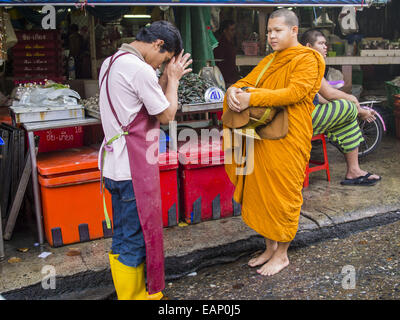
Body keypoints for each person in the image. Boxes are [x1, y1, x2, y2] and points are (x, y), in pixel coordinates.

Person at [223, 9, 325, 276]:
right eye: (269, 31)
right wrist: (233, 90)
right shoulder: (270, 60)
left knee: (283, 194)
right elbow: (247, 82)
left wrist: (251, 98)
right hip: (262, 135)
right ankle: (269, 247)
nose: (271, 36)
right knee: (262, 193)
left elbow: (295, 92)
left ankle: (282, 254)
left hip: (290, 136)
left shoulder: (309, 58)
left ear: (293, 30)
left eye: (277, 31)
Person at [98, 21, 192, 300]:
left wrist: (164, 77)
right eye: (164, 59)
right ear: (158, 45)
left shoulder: (112, 61)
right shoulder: (139, 69)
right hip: (132, 170)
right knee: (134, 238)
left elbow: (148, 100)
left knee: (123, 235)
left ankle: (133, 292)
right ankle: (133, 296)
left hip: (114, 167)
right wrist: (173, 80)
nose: (162, 66)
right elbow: (166, 115)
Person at [300, 28, 381, 186]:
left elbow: (322, 98)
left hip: (310, 116)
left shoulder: (311, 61)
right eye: (321, 43)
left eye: (326, 44)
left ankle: (354, 171)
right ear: (309, 46)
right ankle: (357, 112)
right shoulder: (307, 61)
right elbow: (329, 94)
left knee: (347, 119)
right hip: (302, 119)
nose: (325, 47)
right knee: (347, 107)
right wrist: (355, 104)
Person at [213, 20, 241, 87]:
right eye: (231, 30)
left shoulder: (231, 42)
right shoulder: (221, 44)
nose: (234, 32)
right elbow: (219, 61)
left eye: (234, 30)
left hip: (232, 76)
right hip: (225, 78)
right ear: (225, 31)